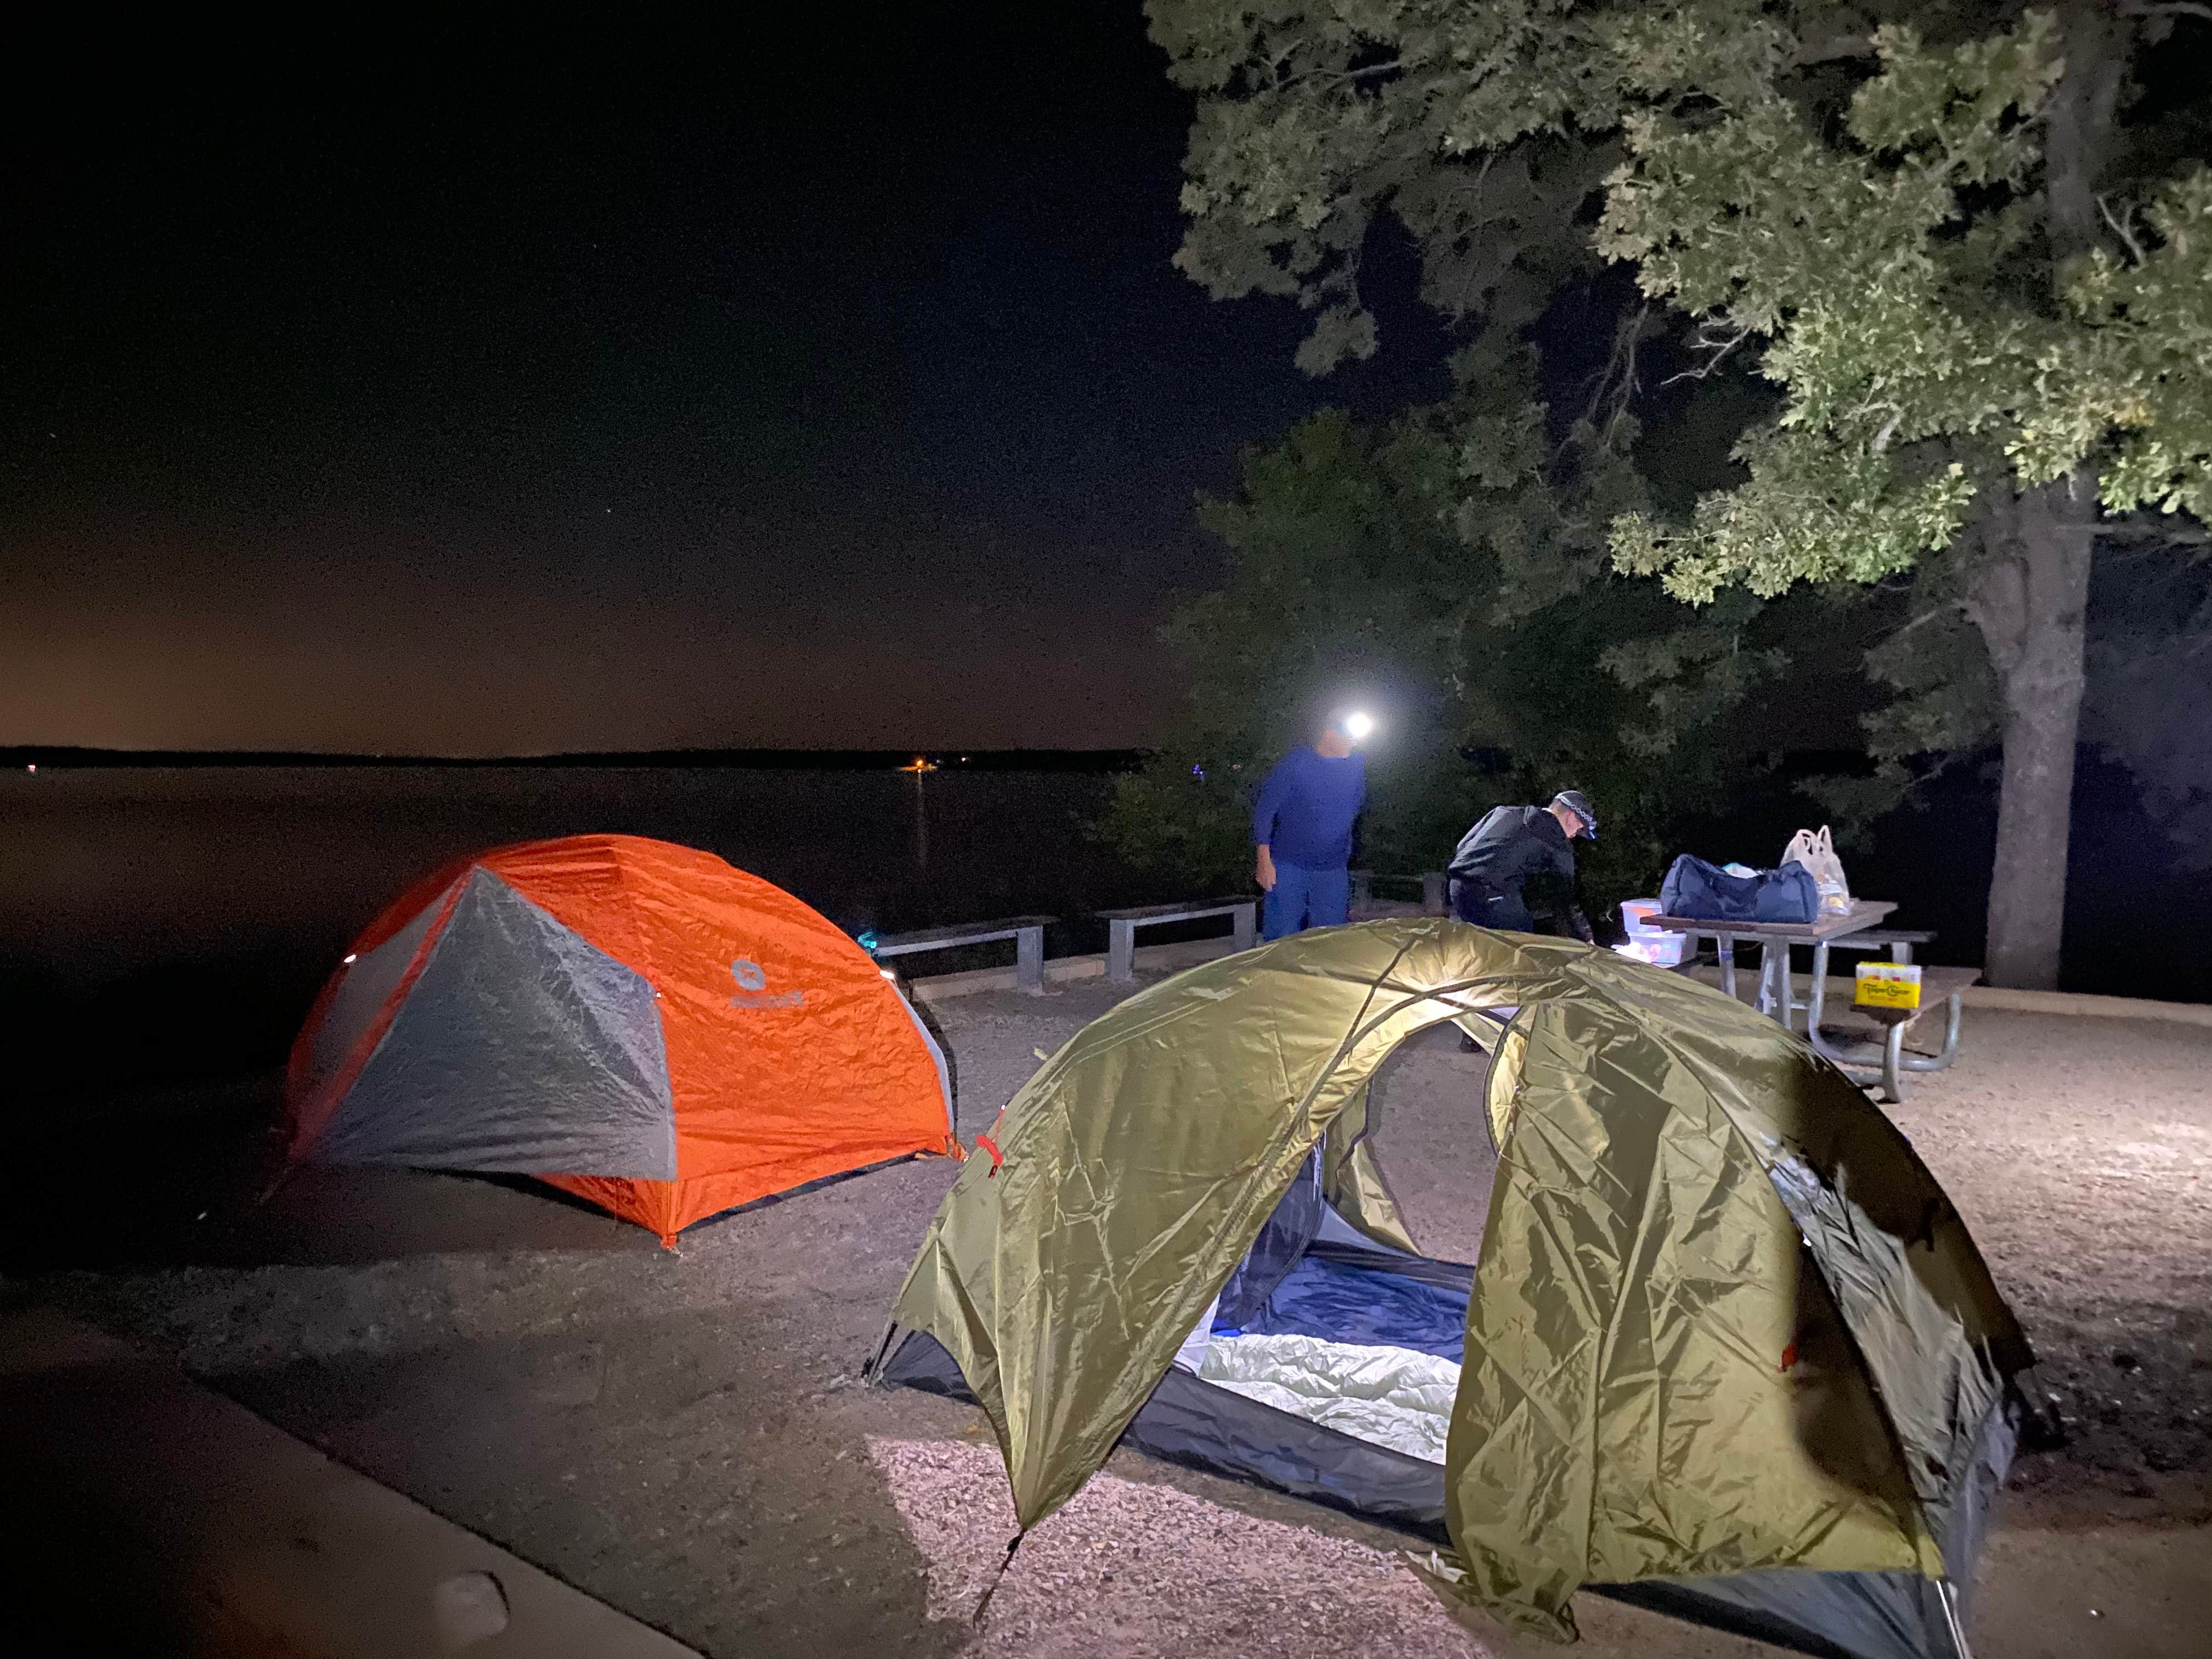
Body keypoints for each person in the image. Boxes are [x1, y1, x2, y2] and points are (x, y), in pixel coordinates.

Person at [1251, 713, 1368, 940]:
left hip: (1332, 868)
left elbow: (1353, 808)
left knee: (1331, 938)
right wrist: (1263, 860)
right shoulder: (1297, 763)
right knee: (1282, 938)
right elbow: (1265, 810)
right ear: (1329, 734)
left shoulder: (1357, 766)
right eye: (1348, 736)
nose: (1353, 741)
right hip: (1288, 866)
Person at [1447, 789, 1598, 941]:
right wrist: (1588, 940)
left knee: (1487, 945)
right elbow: (1566, 900)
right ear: (1571, 817)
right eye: (1579, 829)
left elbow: (1463, 845)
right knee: (1521, 948)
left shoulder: (1504, 811)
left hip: (1457, 888)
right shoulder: (1558, 843)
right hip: (1493, 896)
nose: (1573, 835)